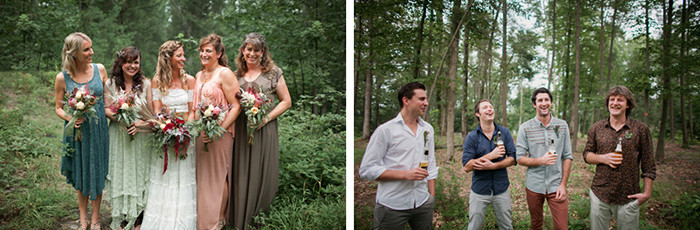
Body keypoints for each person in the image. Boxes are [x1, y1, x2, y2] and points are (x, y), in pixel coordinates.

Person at [230, 32, 292, 230]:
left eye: (257, 50)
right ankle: (237, 221)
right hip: (241, 130)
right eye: (249, 49)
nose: (252, 53)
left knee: (261, 173)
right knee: (240, 172)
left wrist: (266, 118)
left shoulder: (273, 72)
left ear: (263, 52)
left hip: (264, 129)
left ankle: (258, 221)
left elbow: (286, 101)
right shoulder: (236, 74)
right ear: (243, 50)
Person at [359, 82, 437, 230]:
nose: (426, 103)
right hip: (391, 206)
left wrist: (431, 198)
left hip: (422, 202)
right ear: (406, 100)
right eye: (421, 99)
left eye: (426, 99)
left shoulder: (428, 129)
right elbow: (366, 170)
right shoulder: (385, 131)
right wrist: (405, 174)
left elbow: (431, 163)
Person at [53, 32, 109, 230]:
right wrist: (71, 117)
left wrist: (123, 113)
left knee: (97, 171)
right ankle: (83, 218)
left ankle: (96, 218)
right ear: (74, 53)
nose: (91, 52)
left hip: (99, 130)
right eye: (86, 49)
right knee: (81, 171)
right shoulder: (62, 78)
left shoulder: (100, 69)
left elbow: (107, 101)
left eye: (91, 48)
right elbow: (58, 107)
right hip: (77, 133)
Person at [141, 40, 197, 229]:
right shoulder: (157, 80)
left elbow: (192, 111)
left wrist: (183, 132)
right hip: (165, 134)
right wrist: (166, 128)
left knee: (183, 176)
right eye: (179, 55)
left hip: (186, 135)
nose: (183, 58)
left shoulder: (189, 80)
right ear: (168, 58)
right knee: (166, 176)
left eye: (183, 55)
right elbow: (157, 111)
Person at [583, 86, 656, 230]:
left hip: (628, 196)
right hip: (600, 193)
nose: (615, 103)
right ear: (608, 103)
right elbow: (586, 155)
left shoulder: (640, 129)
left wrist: (647, 193)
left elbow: (648, 163)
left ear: (627, 104)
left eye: (620, 100)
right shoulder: (597, 128)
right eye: (612, 99)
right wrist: (604, 158)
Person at [104, 46, 154, 230]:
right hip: (118, 133)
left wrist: (139, 124)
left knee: (139, 171)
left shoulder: (146, 84)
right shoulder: (110, 84)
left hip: (139, 135)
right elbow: (107, 108)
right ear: (121, 63)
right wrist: (121, 119)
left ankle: (139, 216)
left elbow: (151, 112)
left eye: (136, 62)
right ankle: (123, 215)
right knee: (121, 170)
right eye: (128, 62)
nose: (132, 66)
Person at [194, 33, 240, 229]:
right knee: (203, 177)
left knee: (219, 176)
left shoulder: (225, 74)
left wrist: (219, 130)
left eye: (209, 51)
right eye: (202, 50)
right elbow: (196, 106)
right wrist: (198, 128)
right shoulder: (198, 75)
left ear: (219, 53)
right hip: (202, 133)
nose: (204, 54)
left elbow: (236, 106)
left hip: (221, 133)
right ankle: (203, 220)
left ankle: (219, 220)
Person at [515, 88, 573, 230]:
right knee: (536, 225)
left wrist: (563, 185)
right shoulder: (525, 128)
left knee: (562, 227)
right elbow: (519, 158)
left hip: (556, 185)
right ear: (535, 104)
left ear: (551, 103)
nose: (544, 103)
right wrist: (540, 160)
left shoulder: (562, 125)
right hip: (534, 185)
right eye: (540, 100)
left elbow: (567, 156)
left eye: (546, 100)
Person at [462, 99, 516, 230]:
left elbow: (513, 158)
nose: (489, 109)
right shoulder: (472, 137)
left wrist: (494, 166)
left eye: (491, 107)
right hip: (479, 190)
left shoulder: (504, 133)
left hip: (501, 189)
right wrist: (490, 156)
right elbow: (467, 167)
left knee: (507, 226)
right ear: (478, 114)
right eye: (485, 107)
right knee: (474, 226)